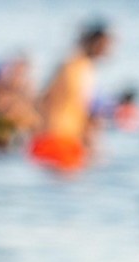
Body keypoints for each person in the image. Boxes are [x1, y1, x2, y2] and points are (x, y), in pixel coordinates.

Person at [31, 20, 113, 170]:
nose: (108, 50)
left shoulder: (68, 64)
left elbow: (43, 99)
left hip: (46, 138)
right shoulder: (81, 68)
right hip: (63, 142)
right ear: (96, 43)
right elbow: (86, 109)